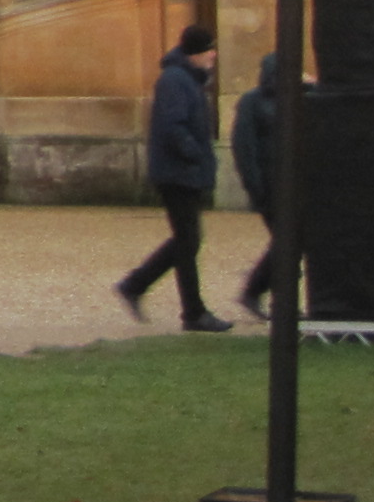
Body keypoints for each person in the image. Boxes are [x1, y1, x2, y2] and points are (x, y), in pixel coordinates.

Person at [116, 25, 233, 333]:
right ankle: (188, 310)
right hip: (177, 173)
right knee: (188, 240)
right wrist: (195, 154)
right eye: (209, 49)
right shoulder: (175, 80)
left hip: (182, 171)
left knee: (187, 240)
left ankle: (139, 286)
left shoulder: (185, 79)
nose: (213, 55)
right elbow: (173, 127)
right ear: (195, 52)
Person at [228, 51, 284, 322]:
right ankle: (256, 291)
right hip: (269, 185)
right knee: (287, 242)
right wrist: (255, 187)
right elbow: (244, 147)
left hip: (291, 184)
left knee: (290, 243)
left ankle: (268, 294)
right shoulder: (252, 102)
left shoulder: (294, 97)